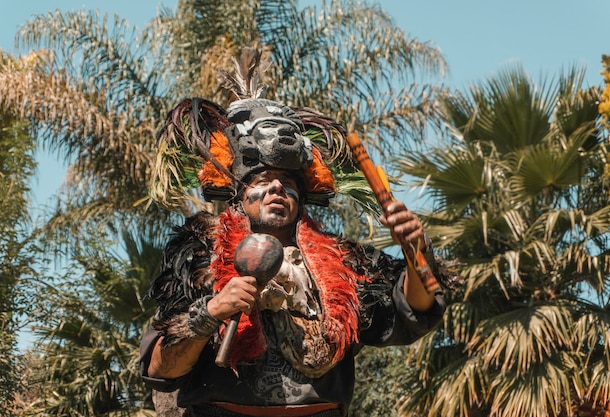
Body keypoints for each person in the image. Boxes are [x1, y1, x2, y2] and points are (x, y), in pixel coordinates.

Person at [140, 48, 449, 417]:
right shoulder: (199, 255)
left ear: (301, 196)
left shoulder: (343, 260)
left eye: (286, 182)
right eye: (262, 181)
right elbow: (161, 368)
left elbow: (413, 311)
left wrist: (416, 253)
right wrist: (212, 311)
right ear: (238, 194)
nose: (275, 189)